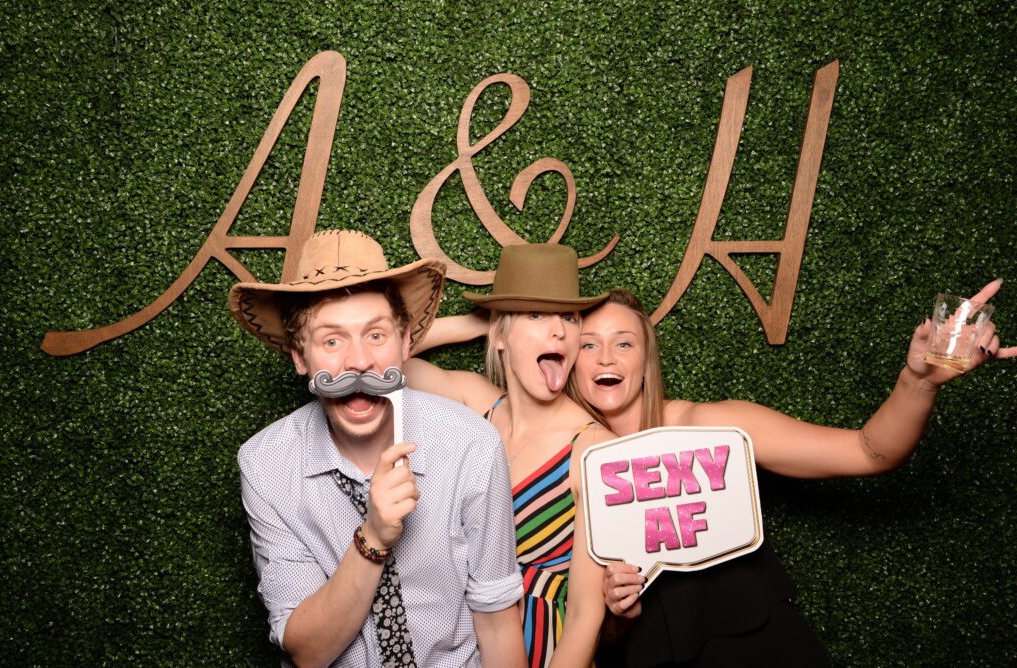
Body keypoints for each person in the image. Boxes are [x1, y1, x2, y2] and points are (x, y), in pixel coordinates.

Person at [574, 285, 1012, 667]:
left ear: (647, 359)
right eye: (588, 345)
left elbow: (869, 451)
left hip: (758, 649)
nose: (606, 357)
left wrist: (919, 383)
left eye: (624, 343)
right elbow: (588, 630)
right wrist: (617, 612)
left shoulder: (710, 427)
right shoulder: (564, 467)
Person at [229, 229, 526, 668]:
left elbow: (498, 625)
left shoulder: (471, 444)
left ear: (406, 342)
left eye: (375, 335)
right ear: (299, 356)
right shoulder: (266, 464)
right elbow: (307, 651)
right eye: (332, 340)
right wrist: (373, 537)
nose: (358, 362)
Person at [404, 243, 615, 668]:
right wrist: (480, 323)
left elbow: (585, 615)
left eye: (569, 319)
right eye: (535, 315)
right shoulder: (477, 405)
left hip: (548, 649)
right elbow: (383, 360)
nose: (558, 331)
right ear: (500, 336)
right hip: (460, 643)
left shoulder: (594, 448)